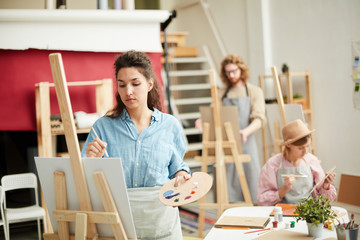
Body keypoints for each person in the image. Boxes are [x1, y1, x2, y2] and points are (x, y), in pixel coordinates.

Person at [81, 50, 191, 240]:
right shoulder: (102, 127)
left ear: (149, 84)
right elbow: (84, 178)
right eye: (121, 85)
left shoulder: (170, 125)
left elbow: (177, 167)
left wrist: (181, 175)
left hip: (162, 222)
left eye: (135, 83)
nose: (128, 91)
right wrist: (90, 161)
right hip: (118, 224)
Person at [196, 54, 266, 203]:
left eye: (234, 71)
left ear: (241, 69)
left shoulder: (254, 91)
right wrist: (202, 120)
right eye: (228, 72)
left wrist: (246, 131)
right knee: (226, 190)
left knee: (251, 186)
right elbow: (212, 113)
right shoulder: (221, 93)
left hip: (246, 143)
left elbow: (259, 119)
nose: (231, 75)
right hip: (225, 145)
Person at [257, 119, 337, 206]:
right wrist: (285, 188)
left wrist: (326, 185)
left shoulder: (312, 161)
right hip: (283, 211)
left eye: (307, 146)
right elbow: (262, 200)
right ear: (288, 145)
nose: (305, 151)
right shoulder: (272, 164)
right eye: (301, 148)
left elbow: (323, 199)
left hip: (309, 210)